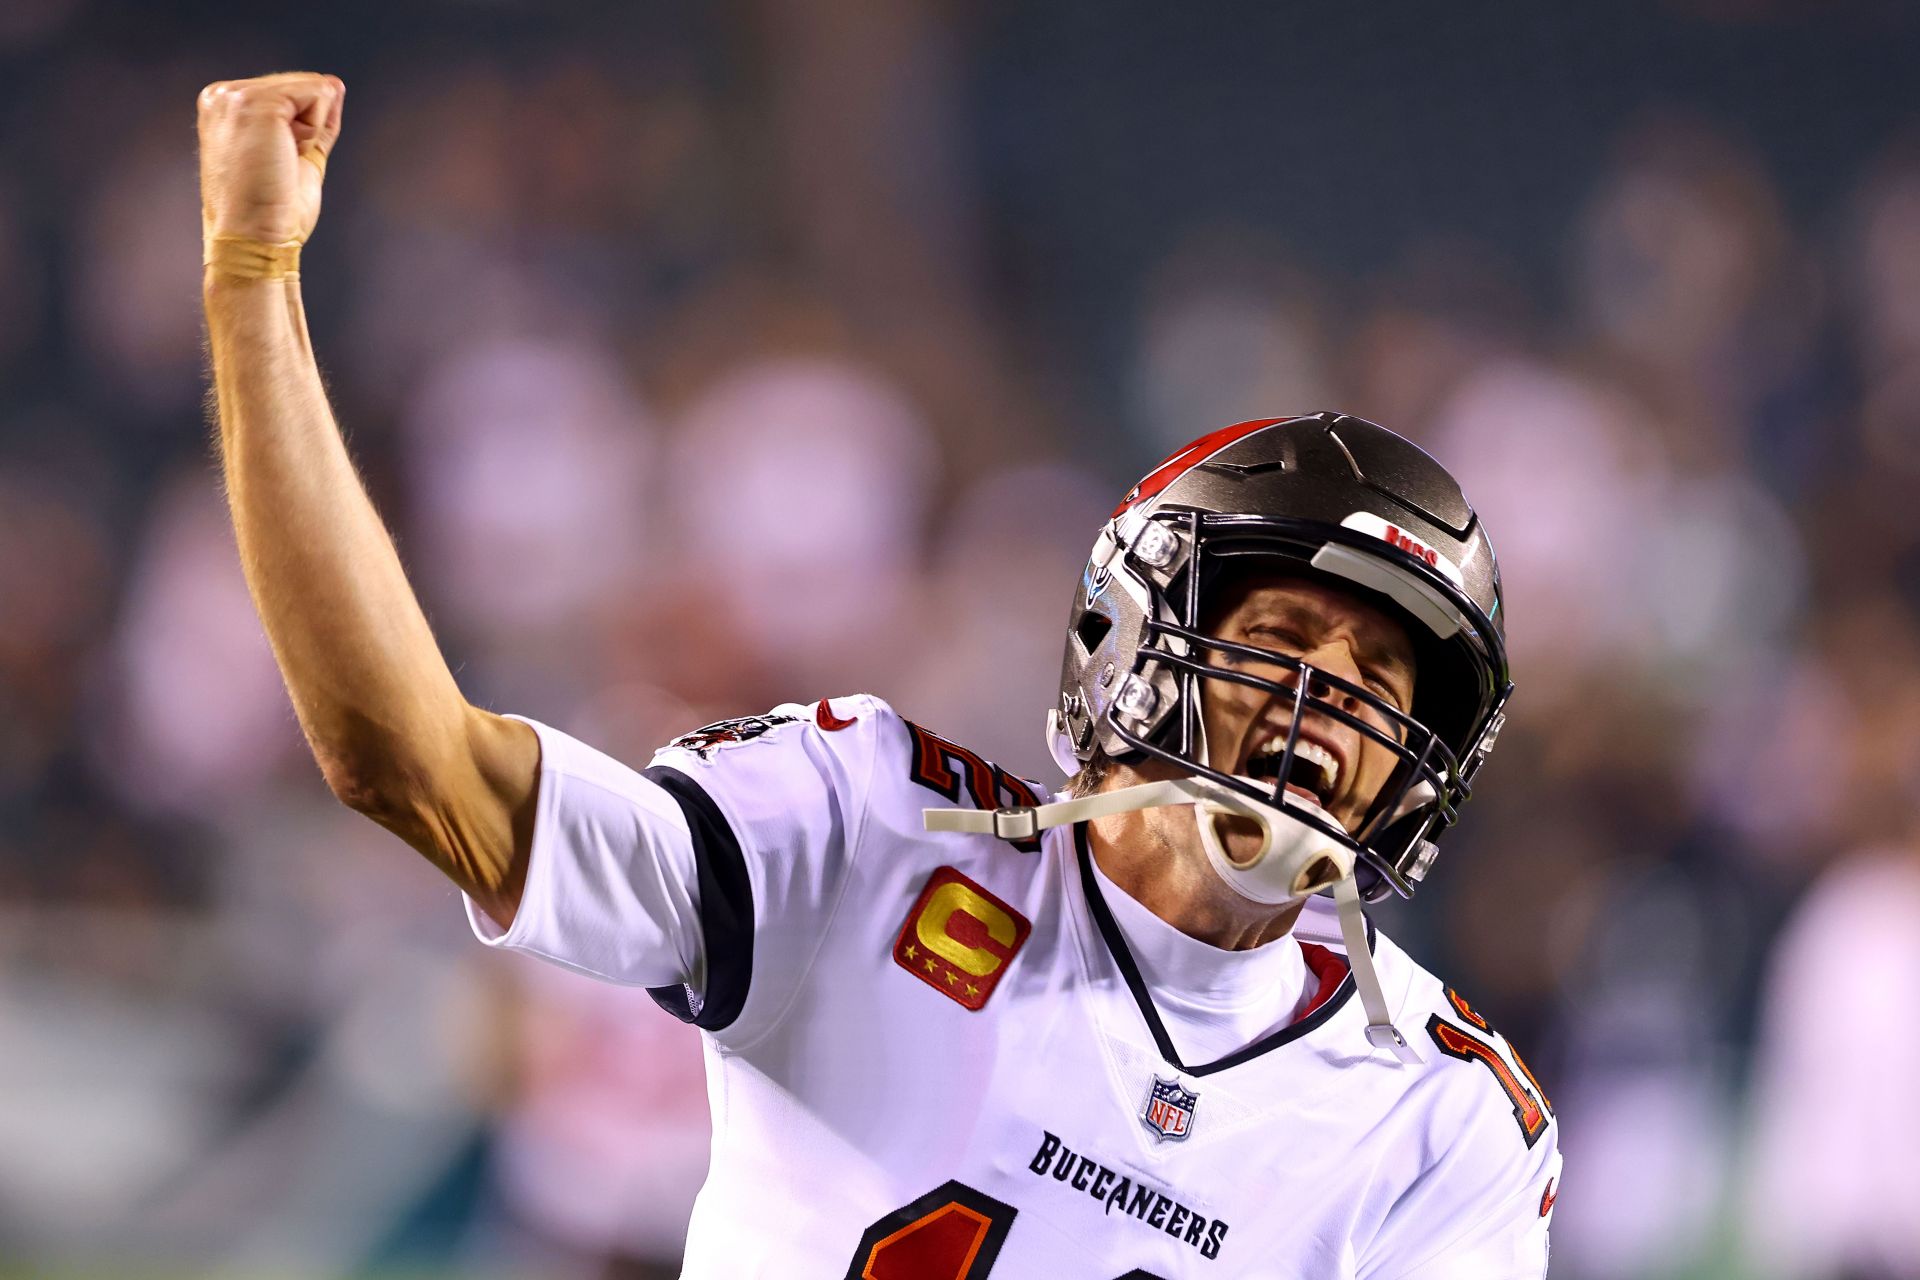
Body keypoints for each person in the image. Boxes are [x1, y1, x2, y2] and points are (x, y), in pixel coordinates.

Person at [199, 71, 1561, 1277]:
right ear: (1137, 649)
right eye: (1279, 642)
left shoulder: (1438, 1123)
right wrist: (254, 282)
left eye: (1381, 679)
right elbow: (411, 763)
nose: (1326, 703)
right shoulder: (867, 831)